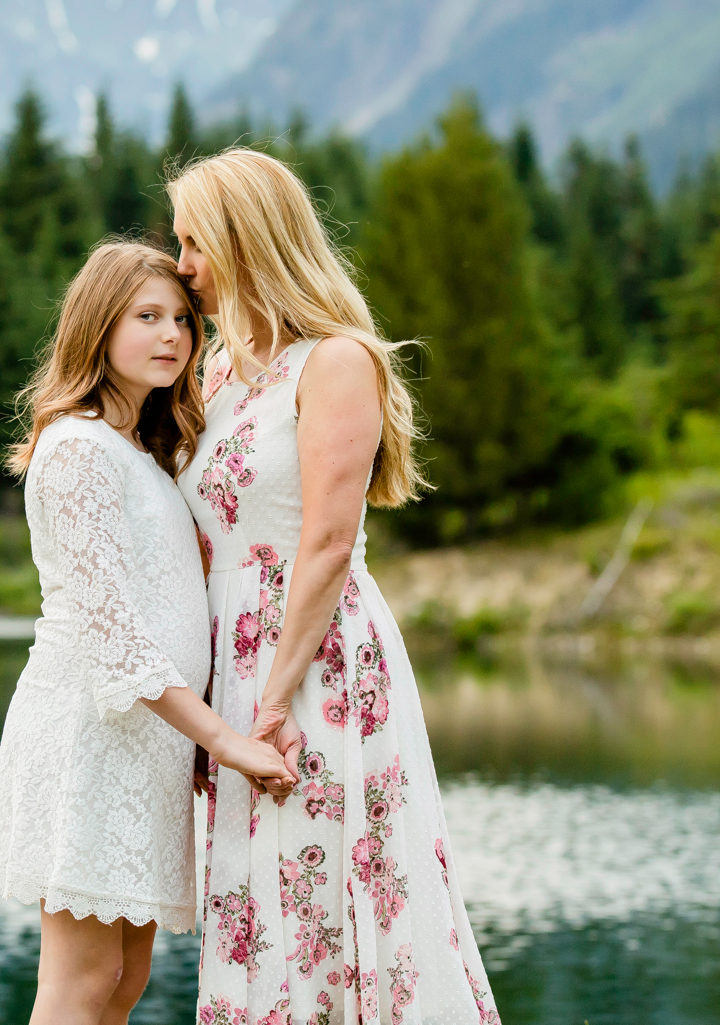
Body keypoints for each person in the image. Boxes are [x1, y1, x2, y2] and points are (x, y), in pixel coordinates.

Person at [168, 150, 504, 1024]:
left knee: (336, 873)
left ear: (247, 241)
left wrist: (272, 698)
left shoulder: (337, 361)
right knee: (255, 891)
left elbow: (326, 539)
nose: (183, 267)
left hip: (314, 661)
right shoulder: (218, 372)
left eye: (196, 243)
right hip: (235, 664)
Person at [0, 240, 296, 1025]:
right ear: (96, 327)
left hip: (146, 739)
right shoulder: (76, 447)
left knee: (122, 979)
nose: (172, 336)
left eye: (182, 319)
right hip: (90, 733)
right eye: (146, 317)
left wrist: (185, 740)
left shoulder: (137, 452)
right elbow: (111, 634)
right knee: (82, 981)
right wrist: (223, 739)